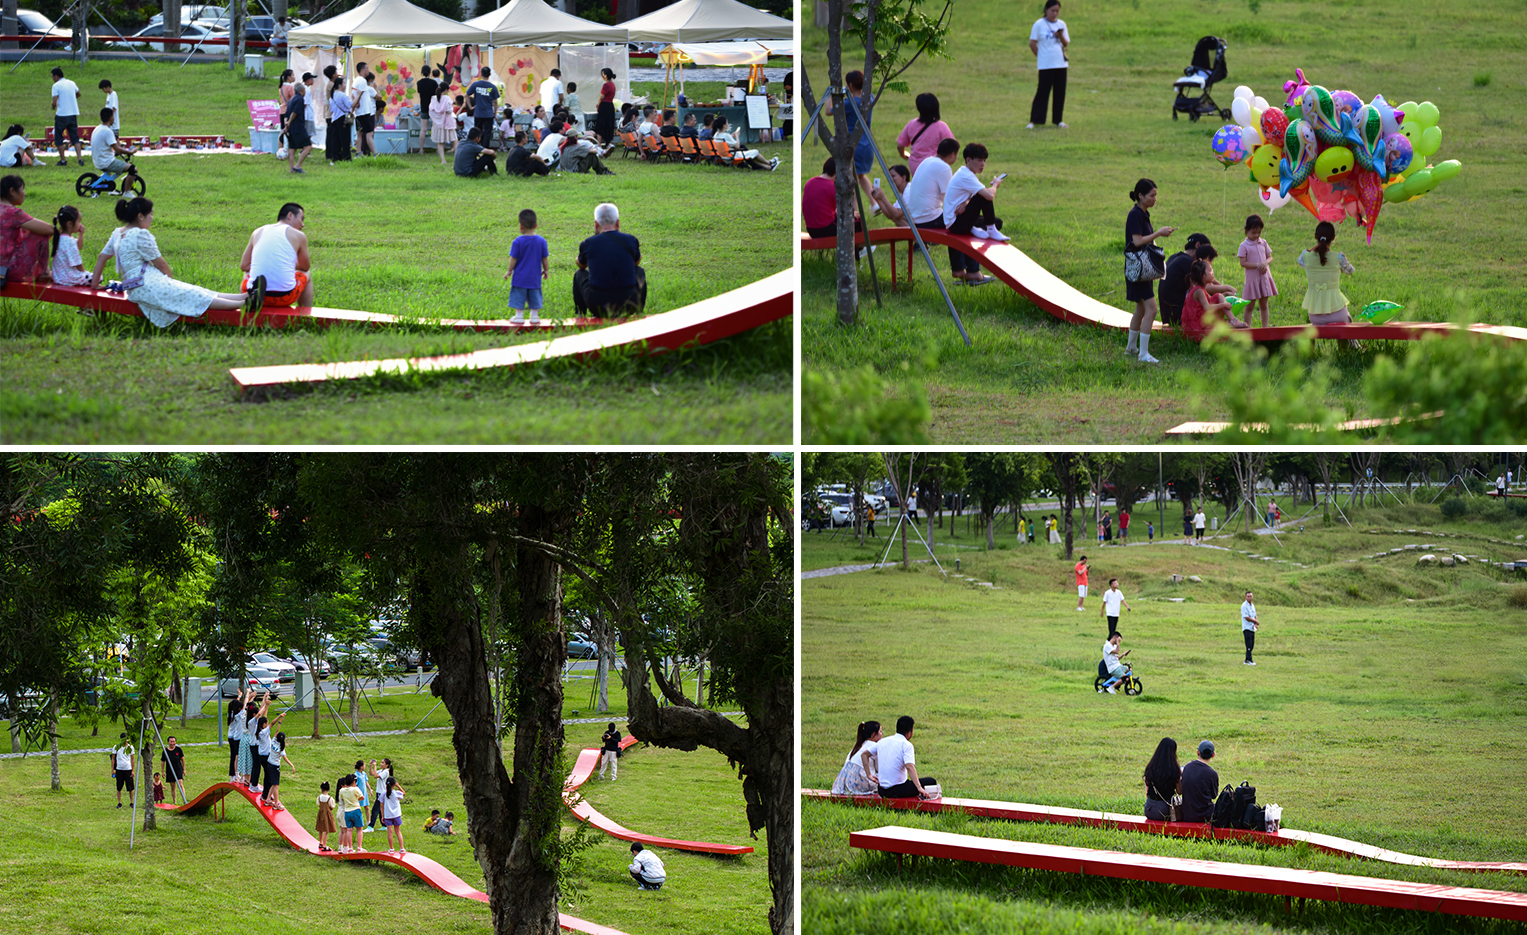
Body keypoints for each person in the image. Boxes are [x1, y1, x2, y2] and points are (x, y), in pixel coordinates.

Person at [113, 197, 261, 327]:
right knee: (192, 295)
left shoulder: (118, 234)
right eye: (151, 214)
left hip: (140, 285)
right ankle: (244, 304)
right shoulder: (140, 235)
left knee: (196, 291)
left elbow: (102, 257)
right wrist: (171, 283)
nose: (152, 218)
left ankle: (245, 296)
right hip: (145, 285)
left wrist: (95, 284)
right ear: (140, 216)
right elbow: (161, 263)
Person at [1124, 178, 1176, 363]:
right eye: (1151, 195)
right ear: (1140, 196)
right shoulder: (1136, 215)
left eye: (1156, 195)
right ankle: (1143, 354)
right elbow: (1137, 241)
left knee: (1141, 308)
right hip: (1138, 270)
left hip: (1140, 270)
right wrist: (1158, 233)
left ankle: (1131, 347)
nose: (1155, 199)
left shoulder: (1143, 213)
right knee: (1152, 310)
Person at [573, 203, 645, 316]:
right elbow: (636, 262)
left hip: (597, 305)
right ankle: (638, 312)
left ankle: (580, 314)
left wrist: (580, 258)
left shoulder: (588, 243)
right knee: (639, 271)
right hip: (629, 303)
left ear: (596, 224)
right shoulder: (631, 240)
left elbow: (581, 266)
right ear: (618, 222)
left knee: (579, 274)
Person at [240, 202, 313, 307]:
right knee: (307, 274)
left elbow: (244, 265)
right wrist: (286, 263)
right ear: (290, 215)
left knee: (248, 273)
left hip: (251, 293)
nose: (302, 224)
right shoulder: (299, 235)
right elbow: (305, 267)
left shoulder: (257, 232)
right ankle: (304, 314)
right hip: (284, 297)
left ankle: (248, 308)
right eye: (301, 219)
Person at [943, 143, 1010, 242]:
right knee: (983, 195)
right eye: (979, 160)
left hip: (959, 218)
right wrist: (995, 185)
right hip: (956, 224)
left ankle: (974, 229)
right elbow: (989, 195)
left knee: (998, 222)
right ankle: (990, 230)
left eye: (984, 160)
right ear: (968, 160)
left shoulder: (965, 172)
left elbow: (973, 196)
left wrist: (966, 203)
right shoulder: (966, 176)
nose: (983, 164)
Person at [1298, 220, 1357, 325]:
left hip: (1315, 316)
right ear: (1333, 238)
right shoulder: (1338, 257)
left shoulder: (1305, 256)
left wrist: (1313, 249)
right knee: (1348, 322)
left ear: (1315, 236)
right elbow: (1351, 271)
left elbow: (1300, 261)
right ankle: (1348, 342)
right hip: (1338, 313)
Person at [0, 176, 54, 283]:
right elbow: (49, 229)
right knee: (40, 235)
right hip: (9, 270)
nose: (24, 193)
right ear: (12, 191)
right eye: (22, 189)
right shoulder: (13, 213)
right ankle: (44, 272)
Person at [1027, 0, 1070, 129]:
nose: (1055, 13)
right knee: (1042, 92)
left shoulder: (1062, 24)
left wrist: (1060, 35)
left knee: (1060, 92)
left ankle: (1058, 120)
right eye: (1052, 11)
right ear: (1046, 10)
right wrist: (1040, 56)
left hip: (1061, 64)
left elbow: (1066, 43)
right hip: (1046, 65)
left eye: (1057, 11)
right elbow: (1032, 43)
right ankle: (1034, 120)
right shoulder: (1039, 24)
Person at [1181, 257, 1248, 338]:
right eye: (1210, 270)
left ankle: (1231, 321)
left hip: (1198, 320)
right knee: (1218, 297)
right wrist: (1223, 305)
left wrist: (1225, 293)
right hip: (1195, 324)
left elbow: (1212, 299)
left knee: (1218, 296)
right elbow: (1208, 308)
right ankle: (1233, 321)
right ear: (1202, 276)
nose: (1212, 273)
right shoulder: (1199, 290)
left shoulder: (1201, 289)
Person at [504, 208, 549, 325]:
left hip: (520, 277)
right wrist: (546, 270)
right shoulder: (541, 241)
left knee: (518, 295)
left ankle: (519, 316)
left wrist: (509, 271)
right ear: (536, 225)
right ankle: (534, 316)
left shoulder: (517, 242)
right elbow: (545, 258)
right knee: (535, 295)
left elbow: (514, 258)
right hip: (535, 277)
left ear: (520, 226)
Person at [876, 715, 937, 799]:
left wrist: (869, 775)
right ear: (909, 733)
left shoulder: (882, 742)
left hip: (881, 790)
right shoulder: (906, 744)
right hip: (896, 790)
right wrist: (919, 788)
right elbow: (910, 766)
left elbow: (865, 754)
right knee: (931, 781)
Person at [896, 93, 954, 178]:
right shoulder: (941, 126)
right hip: (934, 166)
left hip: (915, 166)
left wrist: (904, 154)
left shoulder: (911, 124)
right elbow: (952, 145)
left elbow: (900, 146)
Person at [1159, 233, 1211, 327]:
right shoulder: (1189, 262)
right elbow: (1203, 287)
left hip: (1167, 315)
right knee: (1214, 298)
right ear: (1198, 245)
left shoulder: (1174, 257)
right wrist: (1226, 289)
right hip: (1178, 317)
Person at [803, 157, 860, 240]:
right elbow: (841, 211)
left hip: (812, 230)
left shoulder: (809, 182)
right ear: (837, 173)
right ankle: (859, 250)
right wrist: (852, 213)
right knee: (858, 222)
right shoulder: (833, 187)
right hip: (826, 230)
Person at [1238, 213, 1276, 328]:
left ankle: (1265, 327)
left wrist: (1265, 262)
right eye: (1253, 232)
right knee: (1250, 305)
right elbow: (1243, 263)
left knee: (1264, 304)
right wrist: (1257, 265)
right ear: (1246, 231)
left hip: (1264, 278)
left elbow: (1270, 257)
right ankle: (1247, 327)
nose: (1256, 235)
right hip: (1252, 279)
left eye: (1259, 232)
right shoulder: (1244, 246)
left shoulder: (1263, 242)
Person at [830, 720, 881, 795]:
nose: (882, 734)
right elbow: (879, 768)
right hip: (861, 781)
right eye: (880, 731)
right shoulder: (874, 746)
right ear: (874, 735)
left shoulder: (858, 745)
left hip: (845, 782)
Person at [50, 66, 84, 167]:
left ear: (56, 76)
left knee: (59, 138)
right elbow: (78, 94)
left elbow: (54, 102)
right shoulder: (71, 83)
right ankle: (80, 159)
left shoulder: (56, 86)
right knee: (75, 137)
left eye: (52, 76)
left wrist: (52, 106)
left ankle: (63, 160)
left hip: (61, 115)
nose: (52, 78)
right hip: (73, 113)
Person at [48, 205, 90, 286]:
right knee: (97, 277)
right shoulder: (69, 241)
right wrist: (85, 273)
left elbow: (79, 247)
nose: (80, 224)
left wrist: (81, 235)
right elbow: (78, 264)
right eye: (79, 221)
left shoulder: (60, 238)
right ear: (69, 224)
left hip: (58, 278)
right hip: (69, 279)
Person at [1142, 737, 1182, 822]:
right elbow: (1179, 791)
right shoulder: (1174, 769)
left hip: (1149, 809)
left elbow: (1147, 793)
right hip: (1165, 811)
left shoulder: (1150, 767)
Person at [1179, 740, 1219, 822]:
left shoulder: (1187, 767)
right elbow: (1214, 795)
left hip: (1186, 814)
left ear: (1198, 752)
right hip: (1205, 815)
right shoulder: (1212, 774)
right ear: (1213, 755)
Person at [282, 84, 313, 173]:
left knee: (292, 149)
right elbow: (294, 113)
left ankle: (291, 169)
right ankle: (298, 165)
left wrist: (286, 124)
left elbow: (286, 114)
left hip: (291, 128)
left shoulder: (291, 99)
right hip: (298, 127)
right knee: (308, 146)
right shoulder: (300, 99)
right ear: (303, 90)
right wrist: (289, 122)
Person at [466, 66, 500, 146]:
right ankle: (485, 149)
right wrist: (495, 114)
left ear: (481, 74)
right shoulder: (492, 87)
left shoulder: (475, 84)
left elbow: (466, 95)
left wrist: (470, 107)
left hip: (478, 113)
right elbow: (495, 102)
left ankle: (476, 147)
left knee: (477, 132)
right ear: (490, 74)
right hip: (488, 114)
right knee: (487, 132)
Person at [262, 730, 296, 810]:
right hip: (275, 767)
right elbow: (285, 758)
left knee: (273, 784)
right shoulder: (281, 748)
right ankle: (276, 804)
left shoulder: (273, 741)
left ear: (276, 737)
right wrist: (292, 765)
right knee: (276, 786)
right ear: (284, 739)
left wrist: (280, 720)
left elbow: (277, 731)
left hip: (269, 764)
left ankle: (268, 800)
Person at [326, 76, 353, 164]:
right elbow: (350, 105)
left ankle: (336, 157)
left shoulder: (332, 96)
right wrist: (355, 97)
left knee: (336, 139)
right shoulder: (343, 95)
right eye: (344, 83)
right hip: (343, 118)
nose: (345, 85)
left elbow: (332, 109)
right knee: (345, 139)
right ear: (340, 85)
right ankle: (347, 157)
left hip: (335, 119)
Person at [337, 773, 366, 853]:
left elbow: (343, 798)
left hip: (347, 811)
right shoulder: (355, 789)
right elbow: (362, 797)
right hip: (356, 809)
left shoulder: (341, 790)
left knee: (349, 830)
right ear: (353, 782)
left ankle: (350, 848)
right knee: (359, 829)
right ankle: (359, 847)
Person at [429, 85, 456, 166]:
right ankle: (458, 158)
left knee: (440, 142)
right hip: (448, 123)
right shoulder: (447, 98)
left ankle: (443, 160)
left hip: (437, 123)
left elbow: (431, 109)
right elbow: (449, 110)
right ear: (446, 90)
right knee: (454, 140)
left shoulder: (433, 98)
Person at [353, 73, 379, 156]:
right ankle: (374, 153)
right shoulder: (368, 88)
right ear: (370, 80)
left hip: (359, 113)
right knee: (369, 133)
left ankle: (359, 153)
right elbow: (380, 97)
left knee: (360, 133)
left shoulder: (356, 82)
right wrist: (375, 88)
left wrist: (353, 107)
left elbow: (353, 95)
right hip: (367, 113)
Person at [380, 775, 407, 854]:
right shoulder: (396, 793)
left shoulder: (383, 794)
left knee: (390, 832)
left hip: (388, 815)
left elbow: (381, 805)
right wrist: (398, 786)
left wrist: (382, 816)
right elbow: (404, 793)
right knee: (398, 831)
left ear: (386, 784)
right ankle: (402, 848)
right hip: (396, 815)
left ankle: (391, 848)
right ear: (394, 784)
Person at [109, 732, 136, 807]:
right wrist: (112, 769)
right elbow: (113, 758)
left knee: (130, 787)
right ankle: (119, 802)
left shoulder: (130, 747)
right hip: (119, 769)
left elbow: (133, 759)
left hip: (128, 769)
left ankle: (131, 802)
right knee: (119, 786)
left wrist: (133, 770)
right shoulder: (116, 747)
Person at [366, 757, 393, 828]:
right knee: (381, 811)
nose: (381, 764)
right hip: (379, 793)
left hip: (382, 793)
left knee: (375, 810)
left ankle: (371, 826)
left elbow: (375, 776)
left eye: (382, 762)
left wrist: (375, 766)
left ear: (387, 765)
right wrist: (371, 766)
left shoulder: (386, 772)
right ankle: (384, 826)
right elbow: (371, 773)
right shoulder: (381, 771)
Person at [595, 68, 618, 144]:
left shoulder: (606, 85)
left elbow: (601, 97)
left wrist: (598, 105)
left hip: (604, 106)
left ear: (606, 75)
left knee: (600, 125)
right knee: (609, 124)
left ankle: (599, 144)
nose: (602, 75)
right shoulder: (613, 84)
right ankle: (608, 143)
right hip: (610, 106)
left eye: (603, 74)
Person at [161, 734, 186, 803]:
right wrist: (163, 771)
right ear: (168, 742)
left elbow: (183, 760)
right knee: (173, 786)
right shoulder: (165, 751)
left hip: (178, 769)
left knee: (180, 784)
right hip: (170, 770)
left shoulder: (178, 749)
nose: (172, 743)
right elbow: (163, 762)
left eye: (173, 741)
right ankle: (174, 801)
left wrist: (184, 769)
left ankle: (184, 800)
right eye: (171, 741)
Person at [416, 68, 439, 141]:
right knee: (436, 128)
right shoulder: (434, 83)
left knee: (423, 130)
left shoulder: (419, 83)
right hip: (434, 108)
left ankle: (421, 150)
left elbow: (420, 92)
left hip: (423, 108)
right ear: (430, 73)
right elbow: (437, 94)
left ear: (422, 72)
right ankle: (438, 148)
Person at [316, 781, 337, 852]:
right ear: (328, 789)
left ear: (321, 789)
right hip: (327, 814)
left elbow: (318, 804)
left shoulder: (319, 797)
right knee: (326, 829)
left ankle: (321, 842)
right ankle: (324, 845)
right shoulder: (330, 798)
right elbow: (332, 806)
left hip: (321, 813)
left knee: (320, 828)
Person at [1241, 589, 1260, 665]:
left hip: (1252, 627)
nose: (1250, 598)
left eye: (1251, 596)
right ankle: (1249, 660)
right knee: (1248, 644)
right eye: (1248, 596)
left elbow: (1254, 615)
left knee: (1252, 644)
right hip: (1246, 627)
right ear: (1245, 597)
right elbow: (1246, 617)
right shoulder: (1244, 606)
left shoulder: (1252, 605)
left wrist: (1255, 623)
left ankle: (1246, 659)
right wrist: (1255, 621)